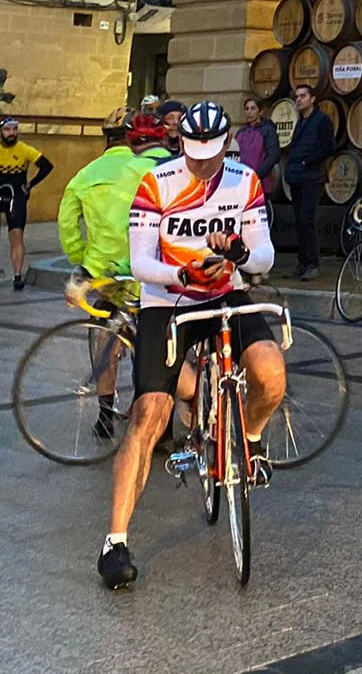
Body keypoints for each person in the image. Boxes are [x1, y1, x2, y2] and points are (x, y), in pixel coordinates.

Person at [100, 100, 282, 591]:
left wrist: (242, 253)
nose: (202, 163)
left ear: (227, 144)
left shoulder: (244, 181)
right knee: (148, 415)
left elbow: (264, 252)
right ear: (180, 143)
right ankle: (115, 541)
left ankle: (251, 436)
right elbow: (140, 262)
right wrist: (181, 271)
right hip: (168, 298)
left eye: (212, 153)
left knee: (270, 374)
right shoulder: (155, 183)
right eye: (193, 152)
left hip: (226, 293)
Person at [56, 111, 170, 441]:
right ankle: (154, 417)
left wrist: (83, 263)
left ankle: (104, 417)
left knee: (107, 338)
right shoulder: (147, 168)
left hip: (108, 270)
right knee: (155, 346)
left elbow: (68, 225)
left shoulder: (85, 174)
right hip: (151, 268)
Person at [0, 116, 53, 291]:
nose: (12, 133)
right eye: (7, 130)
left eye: (15, 129)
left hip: (15, 195)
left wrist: (30, 184)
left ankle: (17, 275)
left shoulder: (24, 150)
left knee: (16, 235)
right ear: (0, 131)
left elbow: (46, 166)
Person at [280, 83, 335, 279]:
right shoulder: (300, 122)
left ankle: (312, 263)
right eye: (297, 97)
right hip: (298, 177)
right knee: (299, 222)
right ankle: (302, 262)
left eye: (303, 96)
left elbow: (329, 147)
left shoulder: (322, 121)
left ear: (312, 99)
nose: (299, 100)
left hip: (312, 177)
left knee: (307, 220)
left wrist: (307, 161)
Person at [235, 96, 279, 189]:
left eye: (253, 108)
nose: (249, 112)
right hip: (241, 182)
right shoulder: (241, 132)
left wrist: (256, 174)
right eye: (247, 109)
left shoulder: (268, 130)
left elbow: (273, 156)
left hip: (261, 182)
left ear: (260, 111)